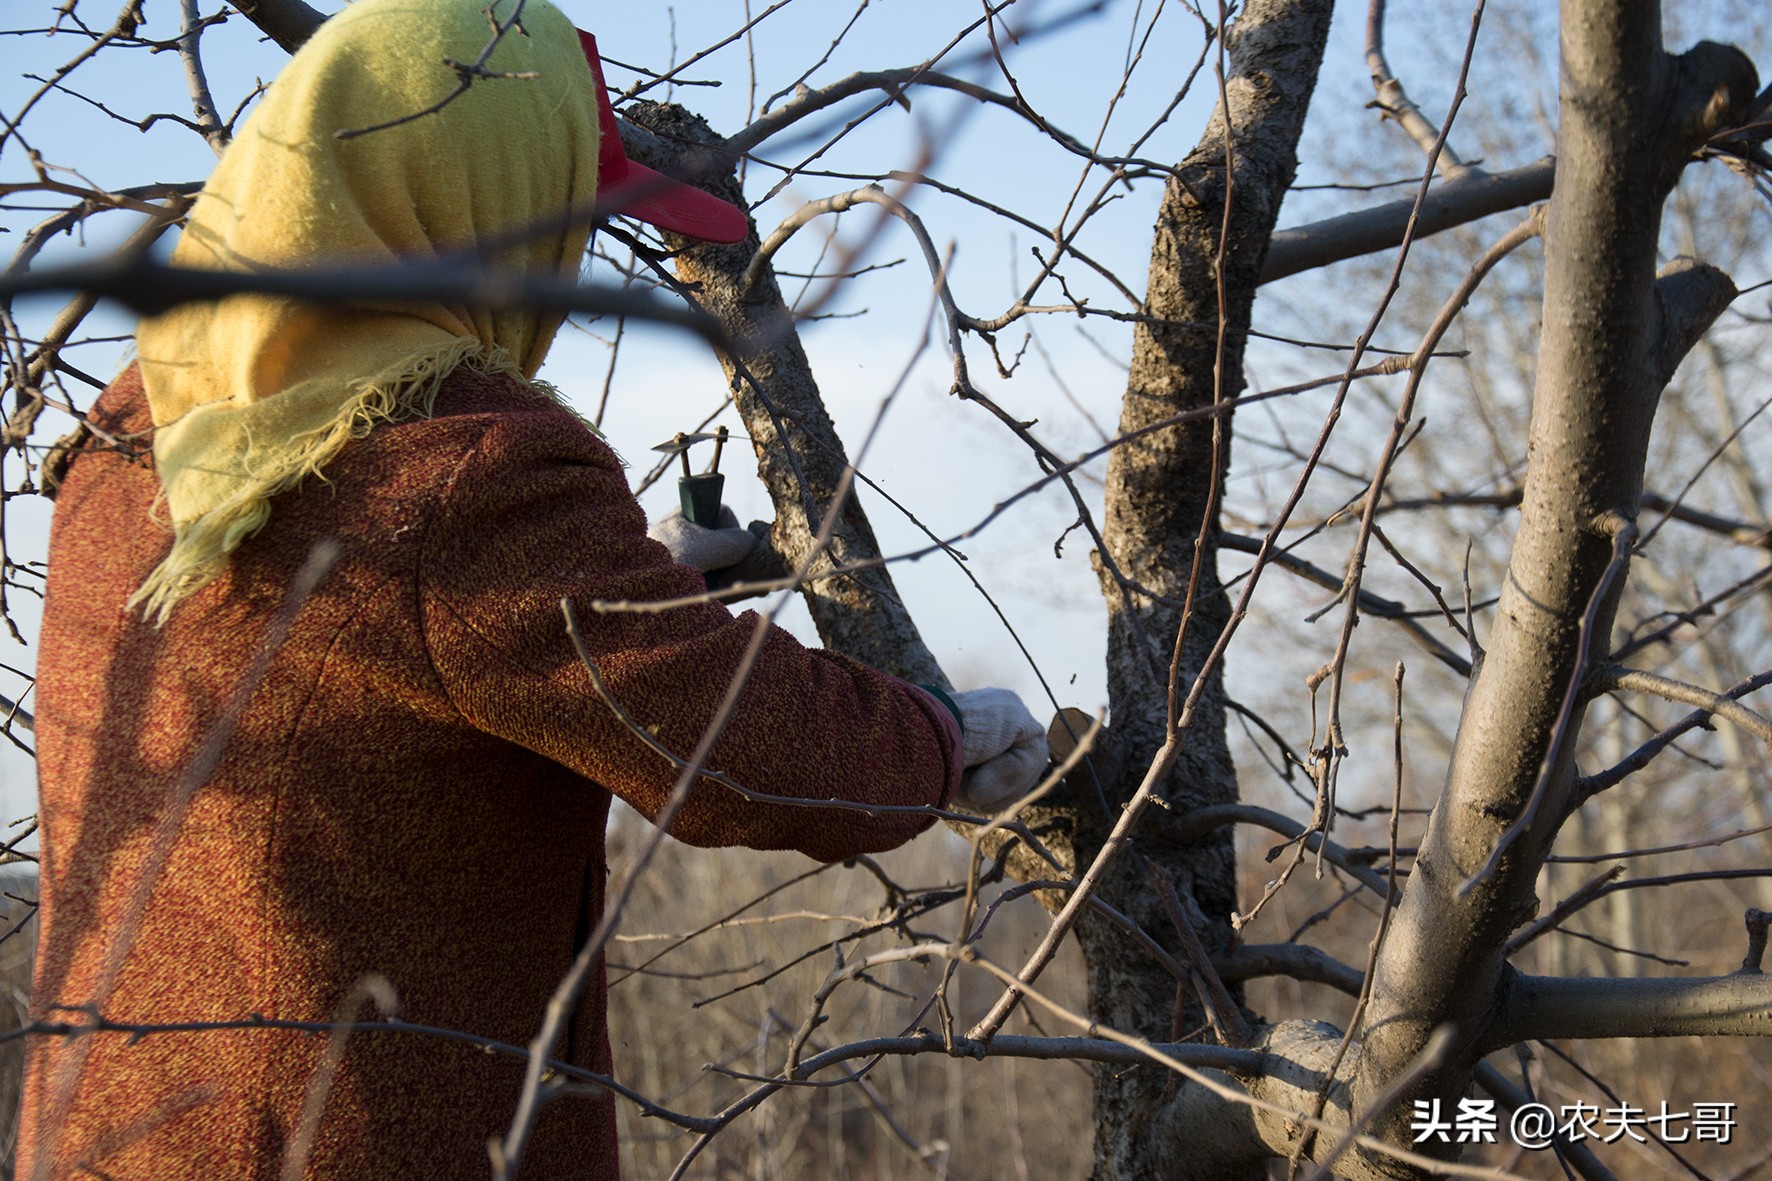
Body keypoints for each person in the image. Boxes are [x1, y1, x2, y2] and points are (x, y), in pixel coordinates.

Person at [17, 1, 1049, 1177]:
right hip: (345, 1140)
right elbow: (746, 751)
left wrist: (635, 581)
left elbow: (375, 651)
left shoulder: (135, 425)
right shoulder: (451, 466)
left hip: (116, 1123)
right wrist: (940, 735)